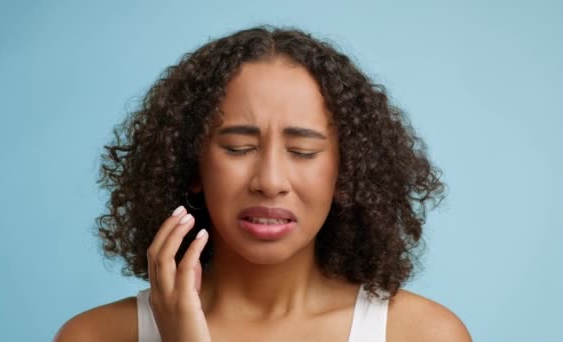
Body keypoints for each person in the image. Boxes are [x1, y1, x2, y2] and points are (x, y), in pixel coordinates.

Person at [54, 26, 472, 342]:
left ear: (346, 174)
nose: (269, 182)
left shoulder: (422, 334)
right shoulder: (94, 336)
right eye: (237, 148)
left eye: (303, 151)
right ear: (192, 167)